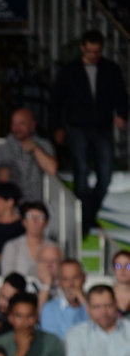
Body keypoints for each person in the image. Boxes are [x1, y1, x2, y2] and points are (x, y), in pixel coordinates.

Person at [49, 30, 128, 236]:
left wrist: (122, 115)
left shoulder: (111, 69)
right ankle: (86, 220)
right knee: (81, 174)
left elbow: (121, 95)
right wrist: (57, 126)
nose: (93, 55)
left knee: (106, 175)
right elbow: (56, 101)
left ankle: (87, 216)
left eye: (97, 51)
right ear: (83, 48)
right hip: (78, 129)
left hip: (103, 129)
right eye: (90, 51)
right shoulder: (70, 71)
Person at [0, 107, 57, 206]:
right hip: (15, 206)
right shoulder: (4, 148)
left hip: (39, 205)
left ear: (33, 125)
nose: (16, 128)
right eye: (13, 124)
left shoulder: (43, 144)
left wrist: (35, 148)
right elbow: (3, 181)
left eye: (21, 123)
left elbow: (52, 169)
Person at [39, 258, 89, 341]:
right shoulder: (50, 309)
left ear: (84, 278)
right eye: (65, 279)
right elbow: (52, 343)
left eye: (75, 278)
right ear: (59, 282)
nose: (71, 284)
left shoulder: (97, 306)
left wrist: (83, 301)